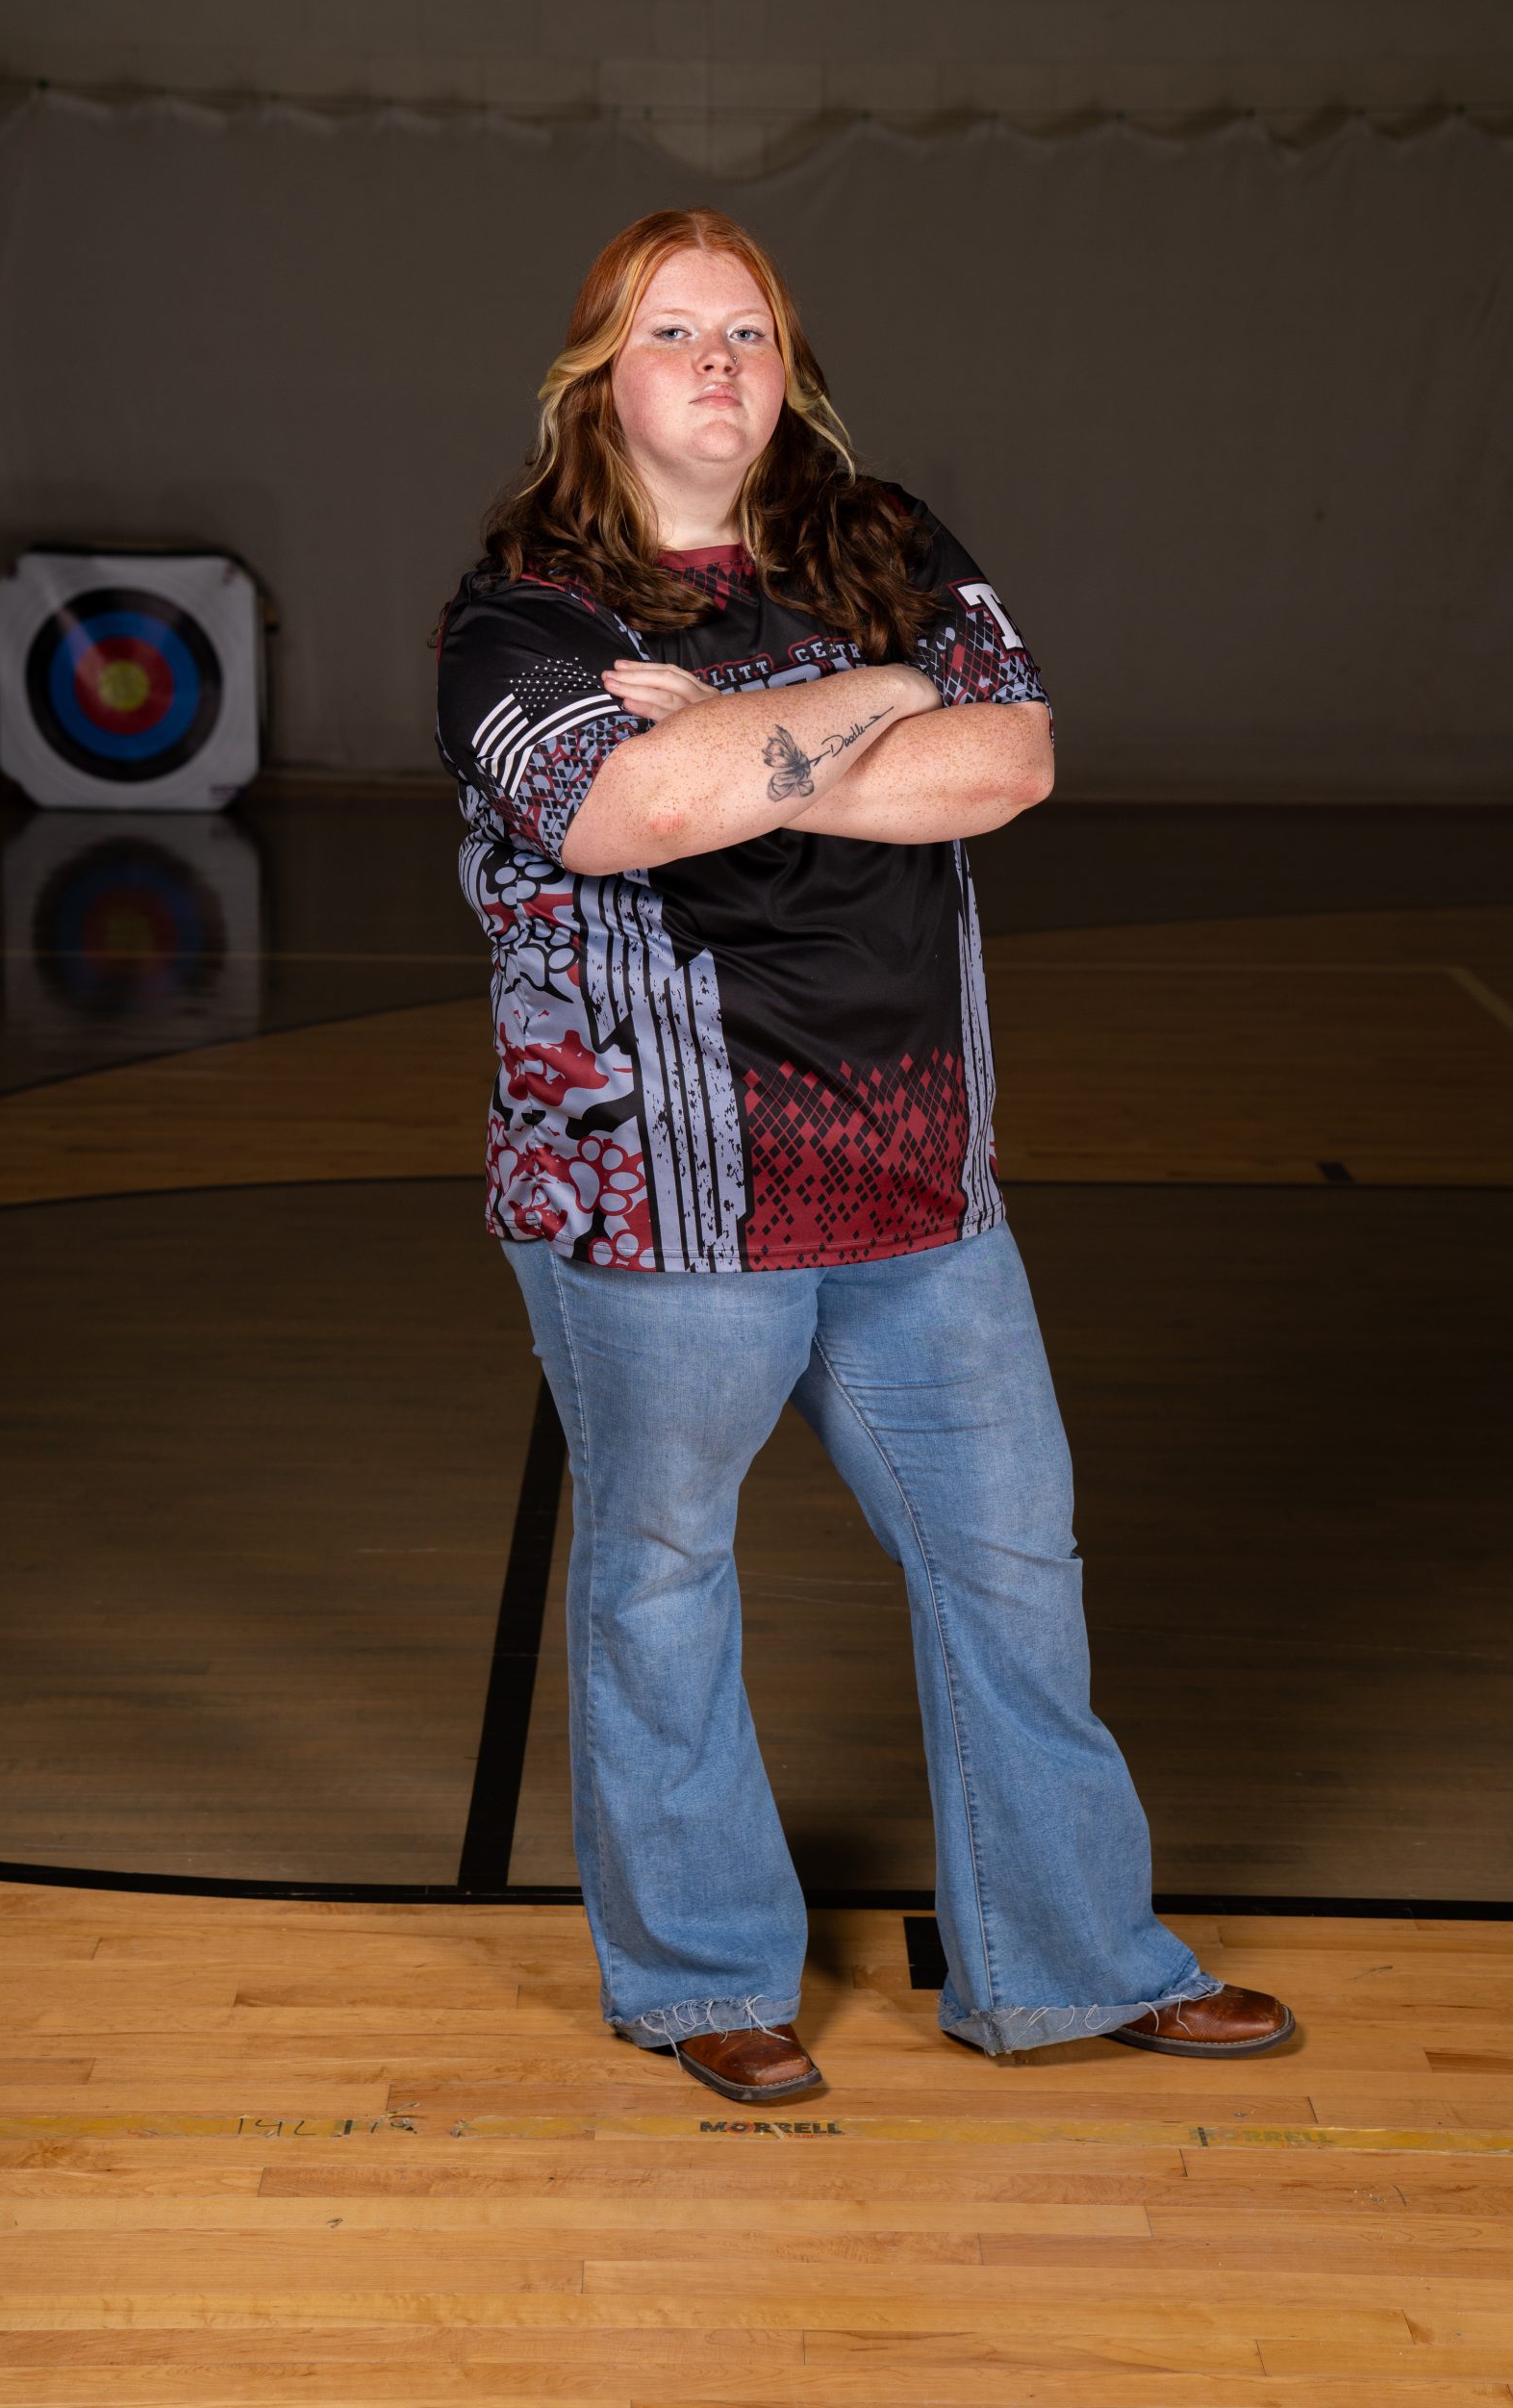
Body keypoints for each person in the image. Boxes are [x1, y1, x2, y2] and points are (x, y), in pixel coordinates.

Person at [431, 205, 1294, 2105]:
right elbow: (627, 808)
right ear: (598, 377)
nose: (717, 364)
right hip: (662, 1193)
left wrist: (763, 733)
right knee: (663, 1575)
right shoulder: (526, 610)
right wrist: (875, 695)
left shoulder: (881, 540)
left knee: (1012, 1564)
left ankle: (1067, 1963)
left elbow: (1012, 761)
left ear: (789, 367)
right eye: (674, 332)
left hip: (915, 1180)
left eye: (747, 331)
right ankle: (701, 1979)